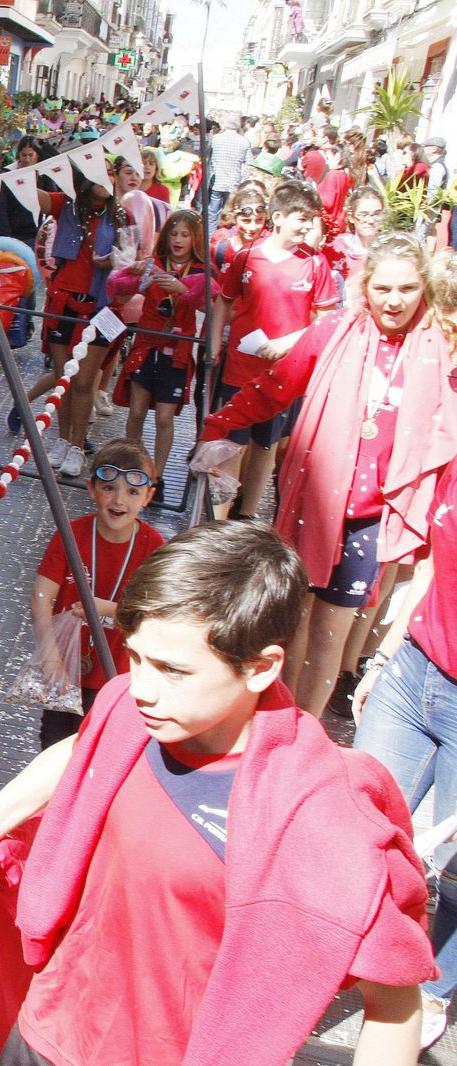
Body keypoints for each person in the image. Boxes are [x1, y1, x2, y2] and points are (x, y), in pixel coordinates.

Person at [0, 521, 433, 1065]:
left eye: (172, 670)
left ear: (261, 667)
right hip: (47, 1030)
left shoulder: (316, 810)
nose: (141, 688)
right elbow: (85, 751)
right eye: (135, 657)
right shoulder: (130, 710)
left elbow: (394, 1000)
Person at [200, 234, 456, 718]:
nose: (394, 300)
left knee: (330, 634)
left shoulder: (439, 348)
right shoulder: (335, 329)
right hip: (315, 499)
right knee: (290, 623)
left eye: (406, 288)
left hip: (372, 516)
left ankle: (307, 732)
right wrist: (220, 425)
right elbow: (276, 386)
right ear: (365, 286)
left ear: (424, 287)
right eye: (382, 288)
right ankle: (272, 723)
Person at [352, 249, 457, 1051]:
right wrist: (387, 650)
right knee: (359, 828)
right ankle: (350, 964)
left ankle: (434, 995)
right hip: (415, 667)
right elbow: (431, 558)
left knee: (448, 870)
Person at [207, 180, 338, 520]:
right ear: (278, 218)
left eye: (311, 219)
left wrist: (288, 344)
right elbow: (224, 300)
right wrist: (214, 340)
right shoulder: (247, 257)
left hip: (286, 376)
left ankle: (247, 515)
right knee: (233, 444)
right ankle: (219, 521)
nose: (308, 226)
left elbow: (326, 321)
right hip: (240, 369)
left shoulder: (316, 264)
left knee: (266, 445)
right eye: (302, 218)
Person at [30, 440, 165, 747]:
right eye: (109, 488)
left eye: (132, 492)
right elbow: (41, 597)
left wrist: (105, 609)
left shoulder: (153, 547)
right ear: (91, 489)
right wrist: (51, 660)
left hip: (117, 676)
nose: (119, 500)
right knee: (53, 747)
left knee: (98, 749)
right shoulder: (71, 533)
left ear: (148, 496)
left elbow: (158, 613)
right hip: (67, 671)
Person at [22, 175, 127, 477]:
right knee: (63, 377)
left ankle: (78, 446)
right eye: (99, 172)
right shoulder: (65, 205)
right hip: (64, 302)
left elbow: (133, 258)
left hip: (102, 307)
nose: (107, 179)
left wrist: (113, 260)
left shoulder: (121, 215)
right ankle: (63, 440)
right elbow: (31, 192)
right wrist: (26, 168)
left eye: (111, 172)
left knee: (83, 382)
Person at [110, 210, 209, 480]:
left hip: (176, 351)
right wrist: (131, 270)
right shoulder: (154, 263)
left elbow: (209, 307)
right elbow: (121, 292)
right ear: (166, 237)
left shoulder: (202, 271)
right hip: (147, 345)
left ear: (195, 239)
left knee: (165, 417)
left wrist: (182, 290)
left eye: (185, 235)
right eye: (174, 233)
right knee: (137, 410)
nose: (178, 240)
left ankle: (158, 476)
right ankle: (135, 466)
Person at [324, 186, 385, 287]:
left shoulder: (388, 250)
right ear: (351, 217)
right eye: (363, 215)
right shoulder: (335, 248)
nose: (370, 221)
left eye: (376, 214)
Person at [206, 119, 252, 219]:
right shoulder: (244, 141)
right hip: (234, 182)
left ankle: (210, 234)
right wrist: (243, 181)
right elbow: (249, 164)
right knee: (228, 213)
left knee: (212, 212)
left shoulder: (215, 139)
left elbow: (207, 158)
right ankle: (223, 233)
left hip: (217, 181)